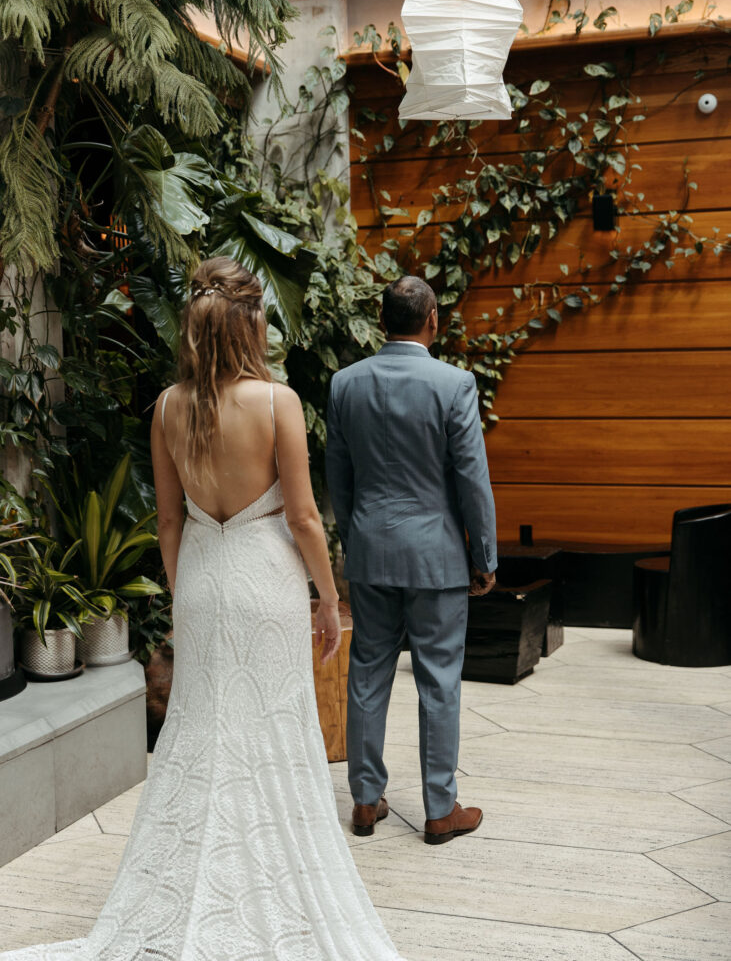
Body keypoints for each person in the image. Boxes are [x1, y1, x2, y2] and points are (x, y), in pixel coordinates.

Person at [1, 257, 407, 961]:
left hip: (204, 580)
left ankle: (189, 882)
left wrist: (188, 594)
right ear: (250, 321)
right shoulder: (275, 402)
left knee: (202, 732)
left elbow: (168, 523)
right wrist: (328, 597)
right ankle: (271, 877)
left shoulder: (167, 406)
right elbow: (306, 519)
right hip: (265, 581)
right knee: (273, 727)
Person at [326, 274, 497, 846]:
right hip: (438, 558)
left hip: (372, 552)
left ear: (382, 321)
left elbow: (339, 478)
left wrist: (357, 541)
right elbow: (472, 479)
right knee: (439, 682)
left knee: (368, 676)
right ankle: (439, 810)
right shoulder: (454, 384)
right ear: (432, 321)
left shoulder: (345, 384)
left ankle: (366, 801)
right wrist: (486, 555)